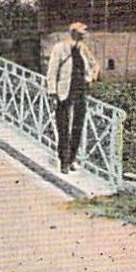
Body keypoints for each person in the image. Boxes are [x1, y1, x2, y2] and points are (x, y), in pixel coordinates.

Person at [46, 22, 97, 173]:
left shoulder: (83, 49)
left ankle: (72, 158)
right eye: (82, 32)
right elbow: (52, 70)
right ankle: (64, 161)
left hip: (80, 91)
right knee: (63, 126)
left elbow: (92, 65)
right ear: (73, 32)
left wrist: (90, 78)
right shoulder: (60, 48)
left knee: (77, 126)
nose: (84, 35)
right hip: (64, 92)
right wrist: (52, 91)